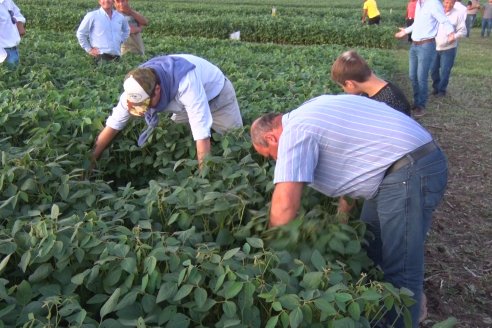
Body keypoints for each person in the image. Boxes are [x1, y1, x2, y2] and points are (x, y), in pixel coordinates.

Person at [250, 94, 448, 328]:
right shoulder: (308, 113)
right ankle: (379, 311)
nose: (276, 161)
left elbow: (285, 203)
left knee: (400, 266)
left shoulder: (295, 131)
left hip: (408, 171)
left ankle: (403, 318)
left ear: (271, 138)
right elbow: (353, 159)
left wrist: (273, 256)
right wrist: (343, 213)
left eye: (271, 157)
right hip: (399, 168)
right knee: (370, 243)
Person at [90, 54, 243, 169]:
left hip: (217, 97)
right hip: (183, 105)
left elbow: (201, 135)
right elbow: (113, 125)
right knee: (178, 136)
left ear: (157, 90)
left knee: (236, 143)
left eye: (147, 104)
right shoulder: (135, 90)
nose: (146, 109)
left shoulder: (186, 84)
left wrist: (203, 182)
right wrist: (90, 162)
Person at [395, 0, 455, 118]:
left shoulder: (433, 3)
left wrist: (450, 33)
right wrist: (405, 32)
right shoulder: (419, 4)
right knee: (413, 75)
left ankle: (421, 106)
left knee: (421, 77)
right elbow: (417, 23)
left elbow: (443, 19)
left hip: (426, 45)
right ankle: (417, 102)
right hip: (415, 45)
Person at [331, 50, 412, 116]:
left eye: (342, 86)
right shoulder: (369, 91)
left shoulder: (389, 103)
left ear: (350, 84)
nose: (343, 89)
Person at [431, 0, 467, 97]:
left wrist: (454, 37)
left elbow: (463, 31)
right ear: (443, 2)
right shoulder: (436, 12)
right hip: (434, 47)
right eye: (447, 2)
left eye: (451, 2)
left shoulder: (458, 14)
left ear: (454, 3)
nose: (449, 5)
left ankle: (442, 91)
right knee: (433, 70)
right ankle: (436, 87)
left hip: (449, 48)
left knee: (445, 71)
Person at [0, 0, 26, 68]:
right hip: (3, 51)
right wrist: (2, 56)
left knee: (14, 74)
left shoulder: (8, 1)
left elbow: (17, 13)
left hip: (13, 48)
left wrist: (20, 24)